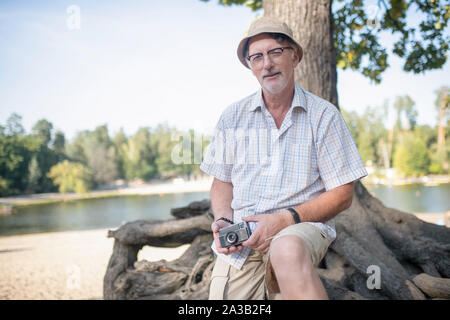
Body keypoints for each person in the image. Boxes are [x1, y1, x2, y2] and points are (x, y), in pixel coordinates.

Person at [199, 16, 367, 300]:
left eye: (276, 52)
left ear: (295, 57)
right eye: (257, 57)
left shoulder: (324, 116)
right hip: (244, 241)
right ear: (251, 67)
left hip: (300, 229)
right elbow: (222, 183)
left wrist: (284, 220)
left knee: (286, 248)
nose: (267, 64)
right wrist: (225, 221)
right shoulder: (232, 116)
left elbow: (342, 194)